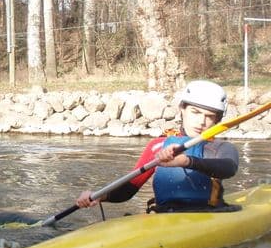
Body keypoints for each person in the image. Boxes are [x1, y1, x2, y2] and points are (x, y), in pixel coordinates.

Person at [76, 80, 240, 213]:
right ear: (182, 109)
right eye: (195, 112)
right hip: (164, 214)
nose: (201, 122)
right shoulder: (158, 146)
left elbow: (228, 168)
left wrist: (186, 161)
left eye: (209, 116)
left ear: (217, 121)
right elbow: (129, 188)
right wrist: (99, 196)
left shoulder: (220, 148)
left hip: (208, 214)